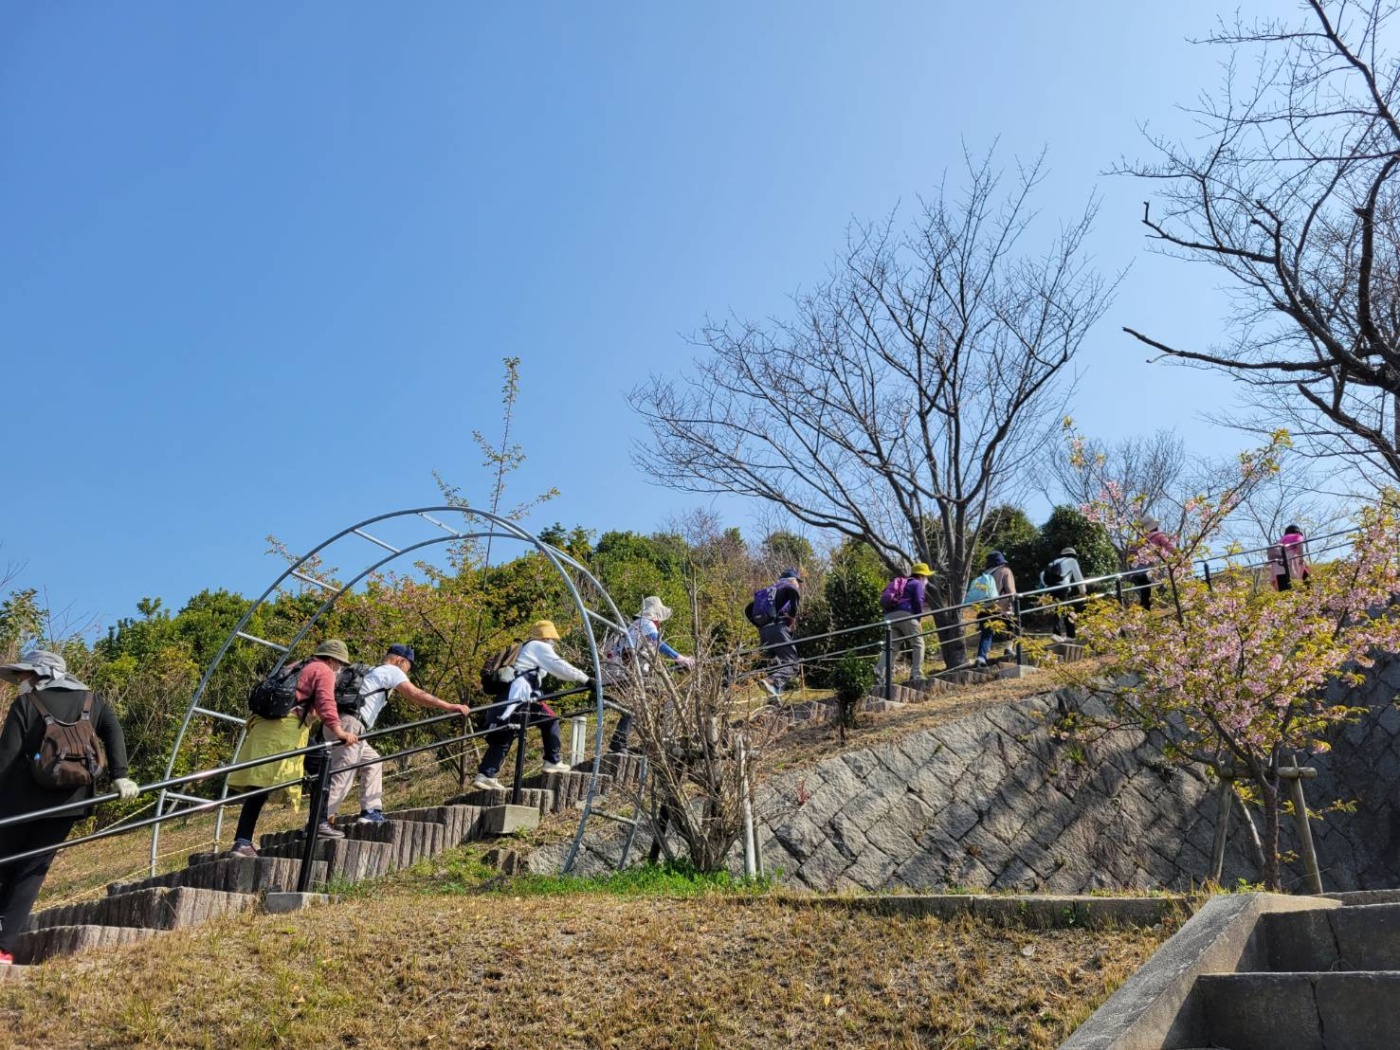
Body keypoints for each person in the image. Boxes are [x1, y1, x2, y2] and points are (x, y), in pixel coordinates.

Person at [0, 650, 137, 966]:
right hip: (71, 801)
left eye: (22, 676)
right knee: (32, 870)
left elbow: (6, 757)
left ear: (38, 674)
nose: (19, 682)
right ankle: (4, 948)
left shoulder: (26, 704)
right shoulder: (92, 701)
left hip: (19, 804)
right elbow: (113, 731)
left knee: (6, 863)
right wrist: (120, 776)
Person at [226, 639, 360, 856]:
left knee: (260, 785)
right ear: (333, 660)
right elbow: (326, 702)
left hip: (264, 727)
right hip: (287, 729)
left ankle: (242, 841)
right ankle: (319, 823)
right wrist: (340, 732)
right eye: (340, 664)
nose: (339, 669)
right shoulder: (323, 670)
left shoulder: (296, 665)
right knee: (322, 768)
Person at [322, 644, 472, 828]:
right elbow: (415, 694)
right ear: (401, 661)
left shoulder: (369, 669)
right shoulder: (392, 670)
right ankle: (319, 822)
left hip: (336, 723)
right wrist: (449, 706)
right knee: (343, 774)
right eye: (408, 667)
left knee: (373, 762)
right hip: (352, 725)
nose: (407, 673)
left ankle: (371, 812)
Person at [472, 621, 588, 791]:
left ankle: (486, 775)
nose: (553, 642)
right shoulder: (538, 646)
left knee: (505, 735)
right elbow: (560, 666)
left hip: (507, 698)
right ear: (546, 636)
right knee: (550, 719)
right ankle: (552, 760)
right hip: (522, 695)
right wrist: (585, 679)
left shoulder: (525, 646)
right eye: (552, 639)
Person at [602, 597, 695, 755]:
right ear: (656, 614)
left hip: (623, 672)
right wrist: (680, 658)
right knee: (666, 698)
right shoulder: (647, 624)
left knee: (635, 706)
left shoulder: (635, 625)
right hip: (631, 673)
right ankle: (663, 737)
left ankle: (620, 743)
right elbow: (657, 642)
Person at [880, 562, 935, 682]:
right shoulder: (917, 584)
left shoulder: (903, 584)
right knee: (918, 643)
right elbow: (918, 602)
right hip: (906, 615)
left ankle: (879, 675)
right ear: (921, 575)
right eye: (926, 576)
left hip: (889, 617)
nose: (927, 579)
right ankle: (916, 674)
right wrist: (918, 619)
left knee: (891, 648)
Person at [754, 569, 803, 695]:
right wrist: (792, 614)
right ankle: (772, 681)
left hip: (764, 631)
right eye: (798, 581)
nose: (799, 584)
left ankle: (774, 694)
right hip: (777, 628)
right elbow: (794, 591)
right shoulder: (788, 586)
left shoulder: (770, 590)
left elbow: (750, 609)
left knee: (778, 663)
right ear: (792, 580)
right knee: (792, 663)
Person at [975, 552, 1017, 668]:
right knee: (1015, 626)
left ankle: (981, 658)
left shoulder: (983, 575)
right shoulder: (1005, 571)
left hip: (984, 609)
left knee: (986, 634)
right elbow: (1011, 591)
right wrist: (1013, 603)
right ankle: (1009, 648)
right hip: (1001, 609)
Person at [1040, 547, 1087, 640]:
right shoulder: (1072, 561)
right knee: (1061, 610)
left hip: (1050, 589)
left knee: (1066, 610)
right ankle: (1056, 633)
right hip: (1062, 588)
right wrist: (1083, 591)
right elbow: (1078, 577)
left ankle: (1071, 635)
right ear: (1073, 555)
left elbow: (1042, 574)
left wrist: (1046, 590)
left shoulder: (1053, 562)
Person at [1129, 518, 1176, 610]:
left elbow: (1131, 552)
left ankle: (1146, 608)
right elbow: (1169, 546)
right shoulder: (1159, 536)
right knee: (1169, 577)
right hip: (1153, 566)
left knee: (1144, 590)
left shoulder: (1141, 539)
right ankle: (1158, 596)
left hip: (1139, 568)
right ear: (1156, 527)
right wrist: (1178, 555)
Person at [1270, 525, 1310, 591]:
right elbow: (1300, 545)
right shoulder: (1297, 536)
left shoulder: (1282, 539)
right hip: (1290, 558)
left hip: (1278, 561)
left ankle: (1284, 597)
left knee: (1283, 583)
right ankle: (1308, 591)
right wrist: (1301, 558)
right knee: (1304, 572)